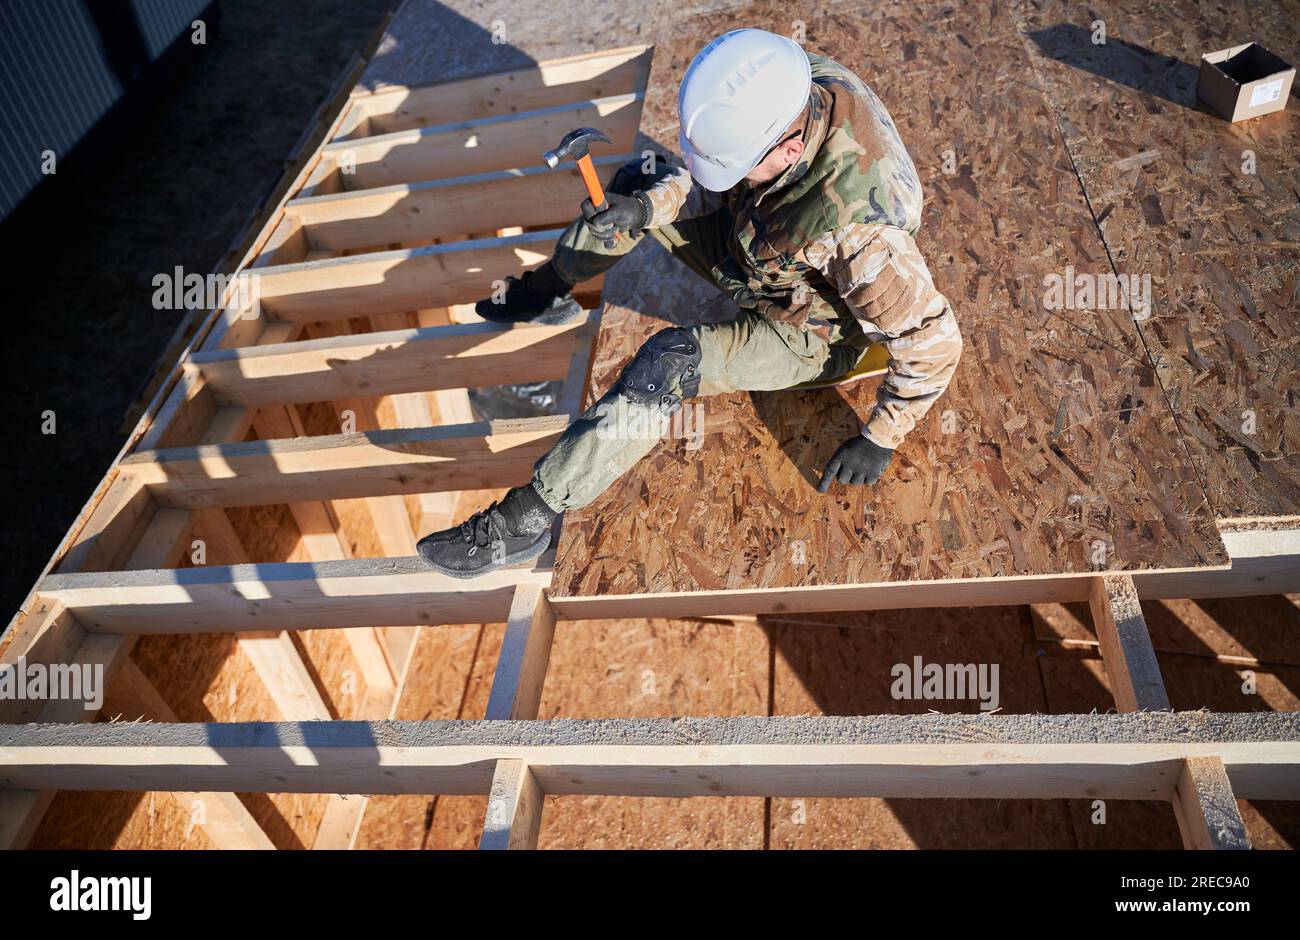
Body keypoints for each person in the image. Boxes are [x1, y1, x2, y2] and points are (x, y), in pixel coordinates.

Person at [417, 28, 962, 578]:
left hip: (816, 331)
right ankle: (549, 288)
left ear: (790, 150)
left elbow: (935, 344)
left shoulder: (860, 233)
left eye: (738, 166)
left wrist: (881, 438)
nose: (727, 176)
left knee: (667, 363)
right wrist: (644, 210)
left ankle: (525, 520)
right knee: (638, 186)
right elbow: (714, 187)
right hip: (765, 248)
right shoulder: (794, 81)